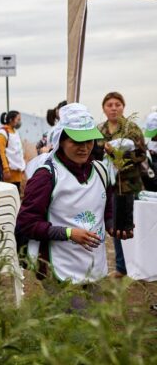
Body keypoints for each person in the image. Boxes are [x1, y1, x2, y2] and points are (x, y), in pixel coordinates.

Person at [16, 103, 132, 286]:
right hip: (60, 269)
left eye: (89, 141)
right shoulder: (46, 176)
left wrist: (114, 226)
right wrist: (68, 233)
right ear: (61, 140)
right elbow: (26, 223)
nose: (84, 148)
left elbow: (106, 209)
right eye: (77, 141)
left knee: (96, 314)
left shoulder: (100, 171)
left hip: (95, 267)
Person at [92, 92, 146, 278]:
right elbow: (92, 154)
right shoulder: (99, 130)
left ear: (123, 106)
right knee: (115, 225)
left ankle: (140, 265)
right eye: (109, 105)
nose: (114, 108)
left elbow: (141, 155)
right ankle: (122, 267)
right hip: (110, 186)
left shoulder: (131, 129)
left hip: (129, 185)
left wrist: (120, 156)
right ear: (104, 108)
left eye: (117, 104)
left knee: (133, 225)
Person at [0, 111, 26, 191]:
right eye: (18, 119)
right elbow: (1, 152)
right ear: (11, 120)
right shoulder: (2, 133)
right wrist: (6, 169)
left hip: (17, 174)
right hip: (9, 174)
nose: (19, 122)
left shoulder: (15, 132)